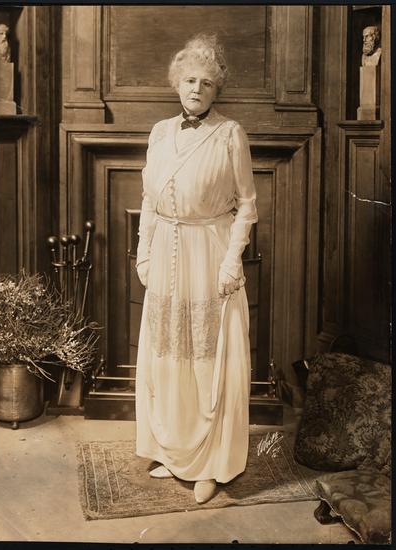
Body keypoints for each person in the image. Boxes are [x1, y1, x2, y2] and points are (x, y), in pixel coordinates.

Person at [135, 34, 258, 505]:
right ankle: (174, 452)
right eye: (189, 80)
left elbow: (247, 206)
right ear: (177, 83)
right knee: (169, 355)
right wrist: (143, 253)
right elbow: (149, 199)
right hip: (166, 251)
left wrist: (231, 261)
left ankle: (211, 464)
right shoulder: (160, 132)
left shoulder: (230, 134)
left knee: (208, 359)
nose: (196, 89)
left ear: (216, 89)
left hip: (209, 252)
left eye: (206, 83)